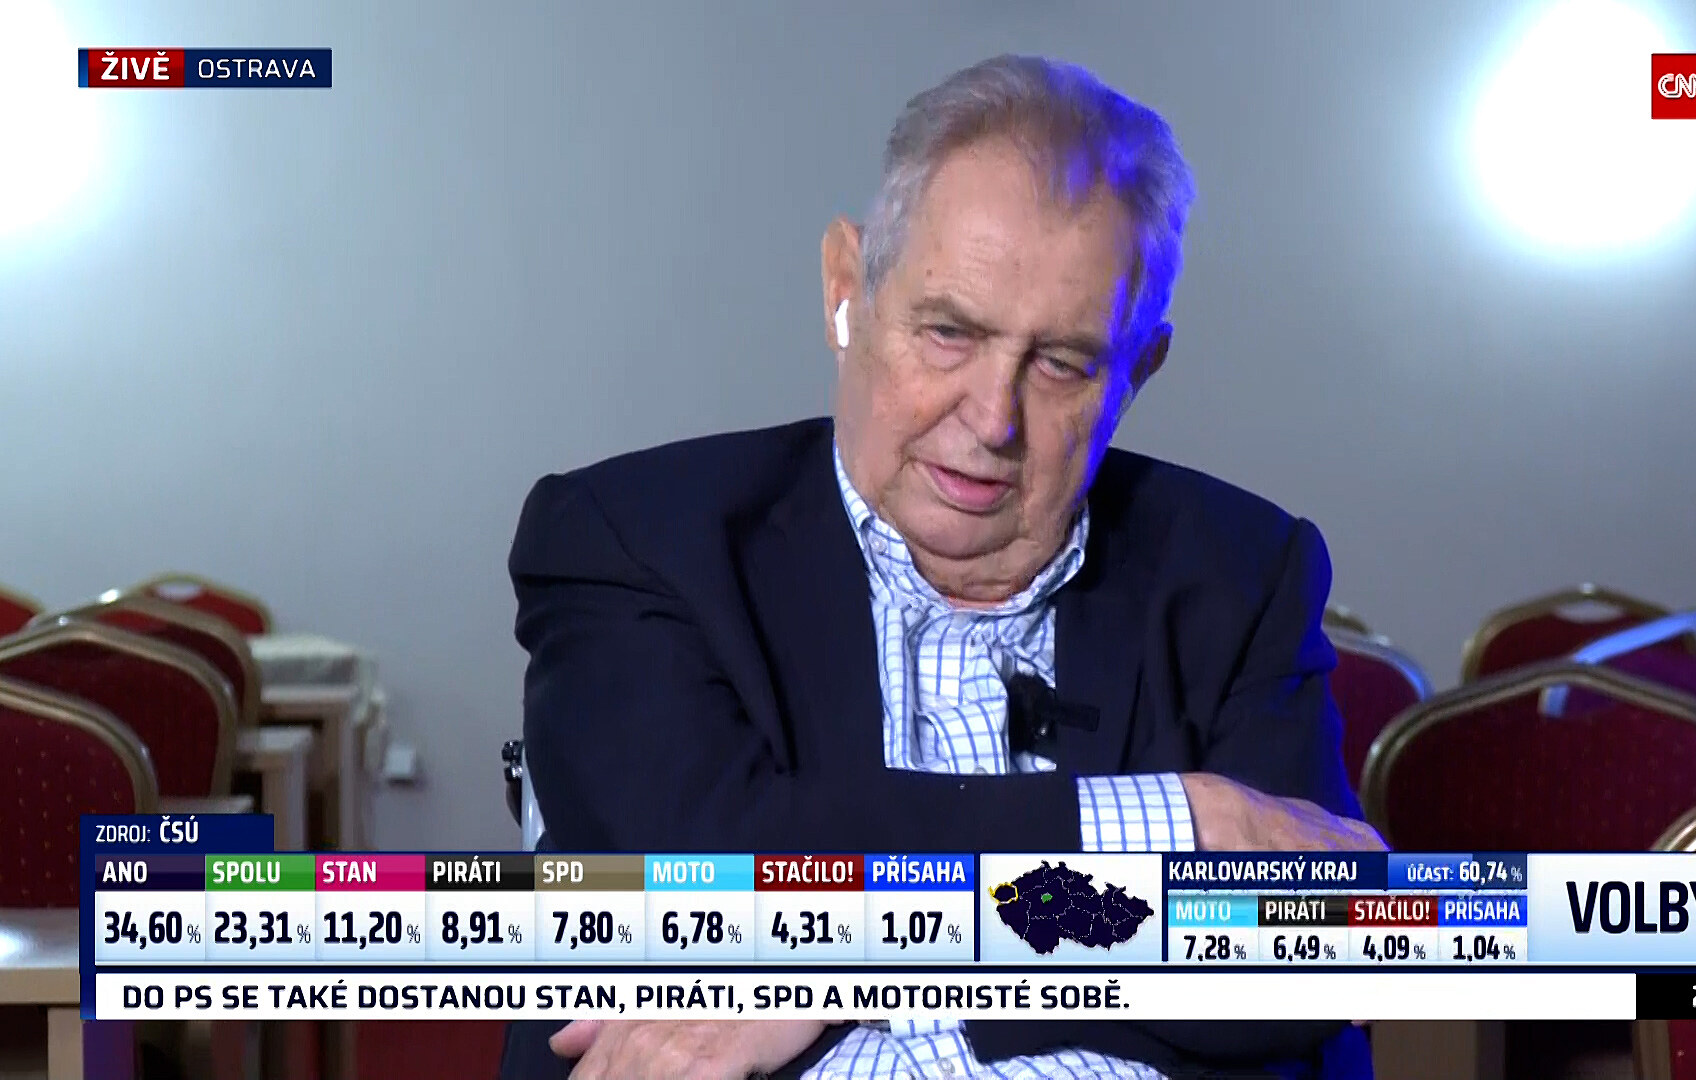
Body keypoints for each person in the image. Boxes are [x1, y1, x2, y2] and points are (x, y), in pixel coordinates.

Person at [501, 53, 1384, 1080]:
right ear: (847, 289)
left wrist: (833, 972)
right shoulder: (632, 538)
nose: (993, 418)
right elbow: (696, 884)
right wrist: (1172, 825)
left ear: (1138, 369)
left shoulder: (1245, 571)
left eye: (1063, 363)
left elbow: (1304, 953)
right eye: (951, 333)